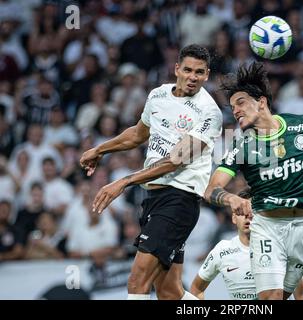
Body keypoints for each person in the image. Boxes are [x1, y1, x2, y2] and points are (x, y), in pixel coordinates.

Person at [79, 44, 223, 300]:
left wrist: (124, 181)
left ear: (207, 75)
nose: (192, 77)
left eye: (199, 72)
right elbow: (137, 134)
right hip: (153, 200)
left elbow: (175, 160)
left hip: (179, 200)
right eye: (188, 70)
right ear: (177, 69)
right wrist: (100, 149)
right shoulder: (158, 95)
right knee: (169, 292)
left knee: (137, 282)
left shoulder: (209, 112)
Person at [203, 62, 303, 300]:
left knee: (281, 297)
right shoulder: (242, 144)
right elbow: (211, 189)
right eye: (232, 106)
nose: (235, 111)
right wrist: (231, 197)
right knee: (272, 297)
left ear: (262, 102)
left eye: (241, 102)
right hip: (268, 228)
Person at [190, 190, 303, 300]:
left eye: (253, 212)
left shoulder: (279, 248)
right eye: (241, 212)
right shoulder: (222, 250)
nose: (247, 217)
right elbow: (196, 289)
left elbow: (302, 294)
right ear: (233, 218)